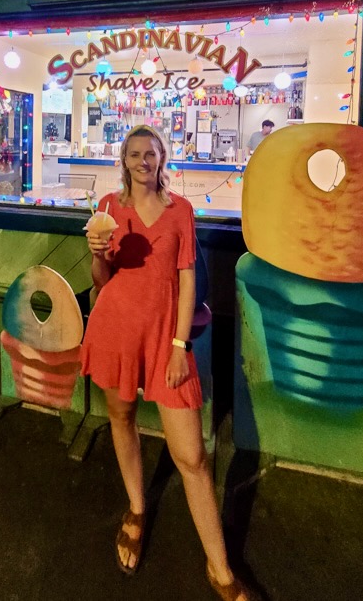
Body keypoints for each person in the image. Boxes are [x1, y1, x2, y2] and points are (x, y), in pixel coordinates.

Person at [80, 125, 254, 601]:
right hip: (116, 330)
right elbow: (101, 282)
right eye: (134, 153)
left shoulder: (181, 211)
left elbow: (187, 280)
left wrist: (180, 345)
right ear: (124, 159)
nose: (142, 160)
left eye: (150, 153)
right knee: (122, 417)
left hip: (165, 342)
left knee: (193, 458)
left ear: (162, 157)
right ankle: (136, 509)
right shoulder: (109, 211)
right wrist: (96, 254)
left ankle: (220, 569)